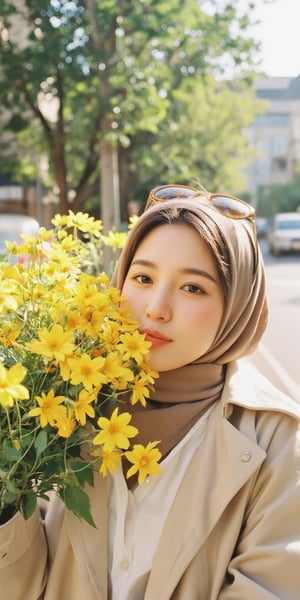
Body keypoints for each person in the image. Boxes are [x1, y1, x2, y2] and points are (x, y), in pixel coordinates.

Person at [0, 184, 300, 599]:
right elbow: (21, 587)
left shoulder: (277, 440)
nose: (156, 307)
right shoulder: (64, 403)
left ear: (236, 305)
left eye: (193, 287)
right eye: (142, 277)